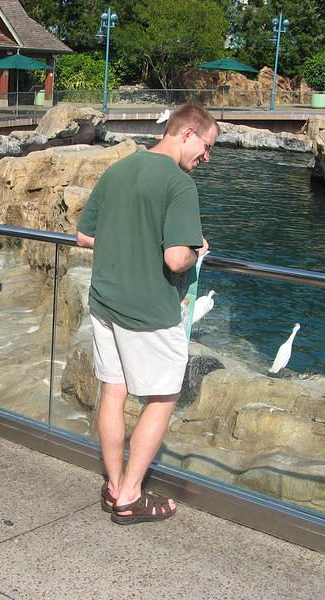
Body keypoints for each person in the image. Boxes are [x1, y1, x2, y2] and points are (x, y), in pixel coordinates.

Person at [75, 104, 218, 525]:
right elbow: (176, 259)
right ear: (187, 132)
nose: (206, 159)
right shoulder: (179, 184)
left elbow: (85, 234)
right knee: (163, 397)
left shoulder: (120, 168)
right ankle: (131, 496)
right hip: (148, 312)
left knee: (114, 392)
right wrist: (197, 250)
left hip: (105, 303)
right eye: (206, 148)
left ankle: (114, 484)